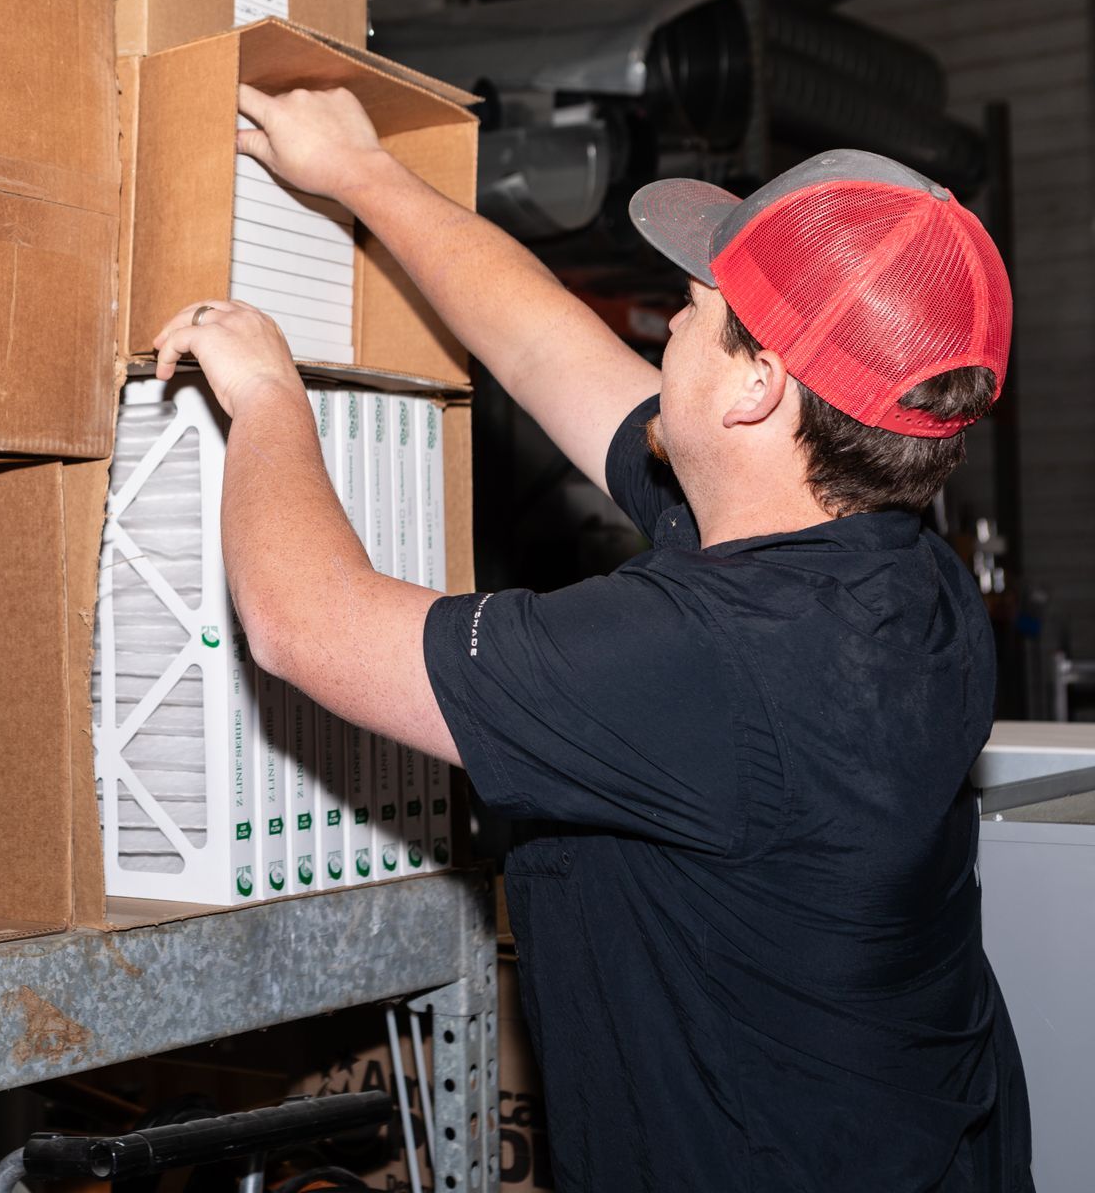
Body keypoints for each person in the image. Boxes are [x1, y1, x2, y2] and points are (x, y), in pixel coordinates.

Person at [153, 83, 1032, 1191]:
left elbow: (306, 624)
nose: (667, 322)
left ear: (759, 387)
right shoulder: (888, 562)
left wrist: (270, 394)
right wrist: (361, 172)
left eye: (695, 307)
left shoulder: (710, 659)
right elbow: (542, 350)